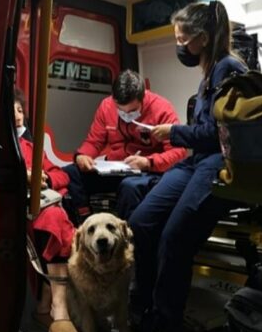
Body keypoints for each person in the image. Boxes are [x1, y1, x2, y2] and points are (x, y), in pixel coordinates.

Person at [127, 1, 248, 332]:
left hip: (218, 163)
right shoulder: (208, 71)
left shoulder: (231, 69)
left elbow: (222, 135)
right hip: (196, 158)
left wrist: (172, 132)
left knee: (175, 237)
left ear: (202, 37)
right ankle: (143, 305)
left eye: (182, 37)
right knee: (142, 221)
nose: (178, 43)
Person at [64, 69, 187, 222]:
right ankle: (84, 222)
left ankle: (126, 237)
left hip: (149, 171)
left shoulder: (162, 109)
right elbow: (94, 141)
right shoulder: (106, 106)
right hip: (116, 168)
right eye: (120, 110)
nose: (126, 114)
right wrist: (82, 156)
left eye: (132, 111)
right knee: (69, 173)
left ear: (143, 98)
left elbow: (178, 152)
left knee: (129, 187)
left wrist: (149, 162)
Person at [14, 89, 83, 332]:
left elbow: (62, 175)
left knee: (55, 219)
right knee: (54, 221)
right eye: (12, 112)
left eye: (20, 110)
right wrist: (25, 177)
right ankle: (57, 310)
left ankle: (48, 305)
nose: (18, 116)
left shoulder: (33, 146)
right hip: (16, 210)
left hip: (43, 206)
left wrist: (47, 179)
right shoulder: (2, 148)